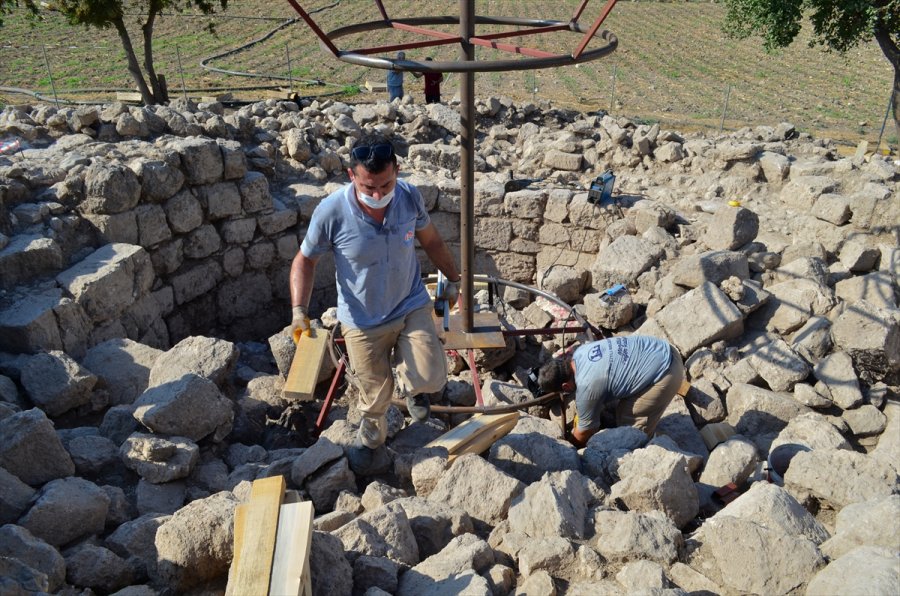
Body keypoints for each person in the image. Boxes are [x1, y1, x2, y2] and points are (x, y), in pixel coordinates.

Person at [290, 133, 460, 471]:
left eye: (386, 184)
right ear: (352, 176)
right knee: (374, 395)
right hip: (362, 320)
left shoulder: (409, 197)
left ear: (397, 170)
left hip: (409, 303)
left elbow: (432, 241)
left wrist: (454, 280)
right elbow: (304, 261)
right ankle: (371, 442)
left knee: (431, 374)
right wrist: (299, 311)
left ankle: (415, 389)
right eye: (369, 187)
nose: (379, 194)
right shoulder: (332, 213)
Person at [538, 335, 684, 447]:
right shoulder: (580, 352)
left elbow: (584, 432)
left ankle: (650, 456)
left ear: (565, 387)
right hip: (661, 347)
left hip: (667, 373)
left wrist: (570, 447)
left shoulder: (587, 388)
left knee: (629, 429)